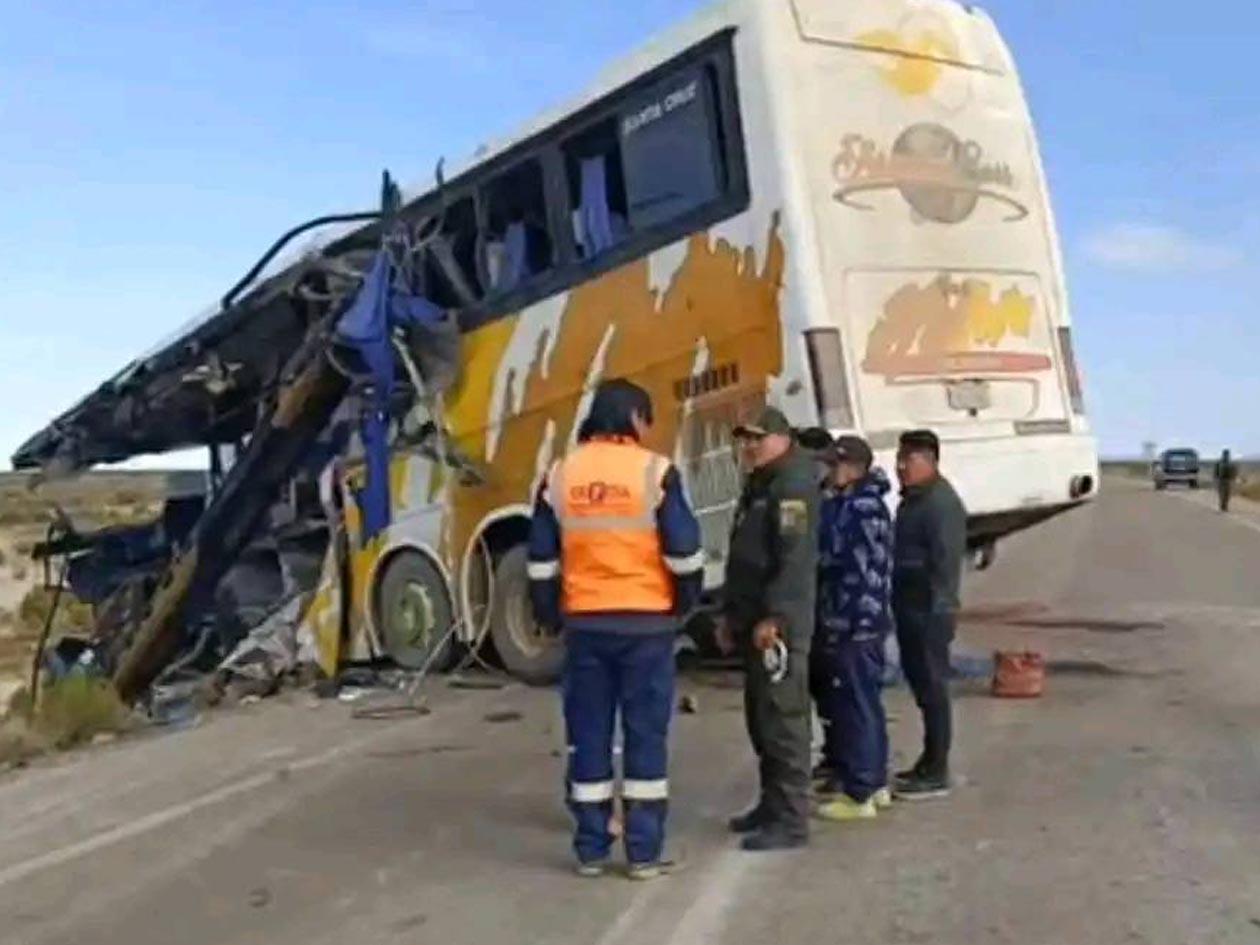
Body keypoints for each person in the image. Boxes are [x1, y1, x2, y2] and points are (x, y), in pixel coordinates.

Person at [528, 379, 704, 879]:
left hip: (585, 625)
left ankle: (591, 848)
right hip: (646, 624)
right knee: (645, 734)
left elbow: (541, 561)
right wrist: (682, 606)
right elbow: (685, 553)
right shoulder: (655, 473)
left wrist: (549, 616)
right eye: (647, 420)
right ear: (634, 418)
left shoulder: (559, 476)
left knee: (589, 734)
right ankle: (644, 852)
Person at [716, 406, 820, 851]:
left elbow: (794, 559)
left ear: (781, 437)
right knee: (762, 719)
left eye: (757, 439)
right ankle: (771, 804)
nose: (749, 447)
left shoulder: (793, 485)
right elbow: (744, 557)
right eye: (744, 440)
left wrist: (776, 617)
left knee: (784, 720)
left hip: (777, 626)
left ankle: (792, 818)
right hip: (753, 619)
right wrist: (730, 614)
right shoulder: (762, 483)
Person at [811, 435, 895, 821]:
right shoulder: (871, 504)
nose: (828, 473)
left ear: (852, 468)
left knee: (855, 705)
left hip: (852, 620)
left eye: (834, 466)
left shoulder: (853, 509)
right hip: (868, 618)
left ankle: (859, 790)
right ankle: (875, 782)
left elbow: (831, 557)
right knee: (868, 703)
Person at [892, 429, 966, 799]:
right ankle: (928, 760)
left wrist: (939, 614)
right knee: (922, 688)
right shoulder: (914, 500)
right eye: (900, 459)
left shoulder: (940, 503)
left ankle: (938, 768)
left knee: (934, 688)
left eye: (911, 460)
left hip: (928, 612)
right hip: (909, 607)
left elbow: (945, 563)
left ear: (932, 461)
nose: (901, 467)